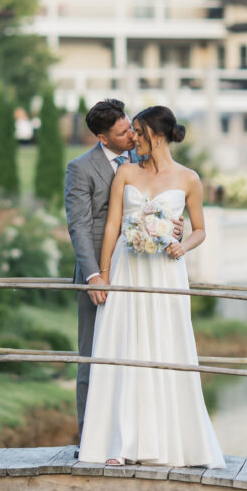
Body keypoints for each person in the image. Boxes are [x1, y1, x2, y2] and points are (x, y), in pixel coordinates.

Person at [78, 105, 225, 468]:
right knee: (124, 348)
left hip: (164, 273)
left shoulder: (189, 178)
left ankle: (171, 444)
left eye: (139, 134)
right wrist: (104, 273)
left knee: (164, 349)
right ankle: (120, 443)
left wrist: (182, 244)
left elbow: (200, 229)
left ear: (156, 137)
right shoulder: (126, 172)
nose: (133, 140)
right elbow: (112, 225)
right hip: (129, 272)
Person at [64, 99, 140, 440]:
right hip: (99, 273)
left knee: (137, 352)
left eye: (130, 127)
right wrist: (94, 274)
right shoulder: (80, 168)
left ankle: (133, 436)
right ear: (102, 138)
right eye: (123, 132)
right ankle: (89, 440)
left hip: (139, 267)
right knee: (92, 357)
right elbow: (79, 225)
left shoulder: (142, 157)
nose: (131, 135)